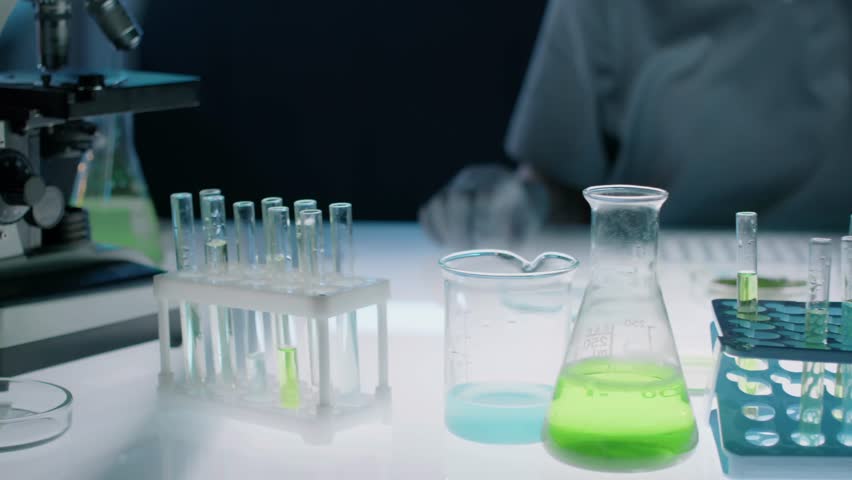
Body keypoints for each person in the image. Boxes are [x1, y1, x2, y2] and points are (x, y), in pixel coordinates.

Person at [419, 0, 852, 245]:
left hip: (833, 282)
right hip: (663, 278)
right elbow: (561, 187)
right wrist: (520, 203)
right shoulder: (604, 9)